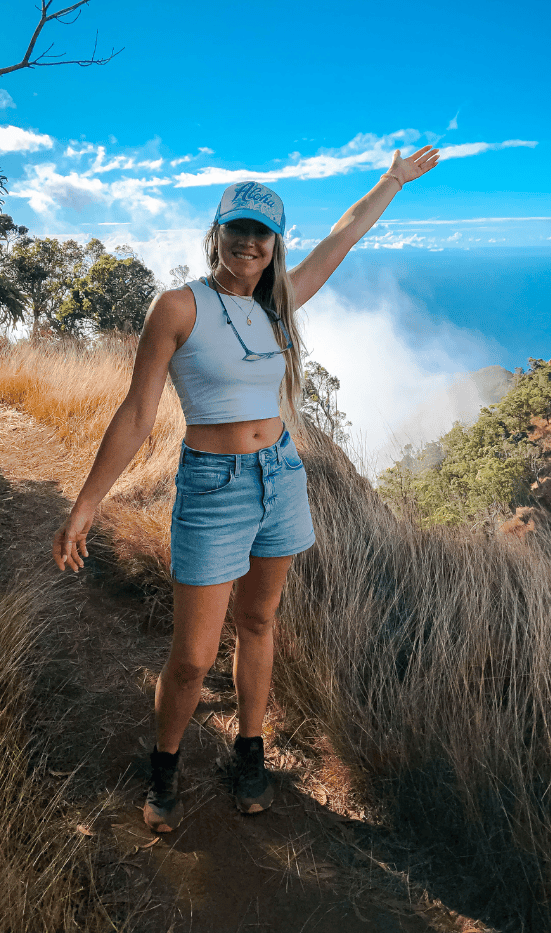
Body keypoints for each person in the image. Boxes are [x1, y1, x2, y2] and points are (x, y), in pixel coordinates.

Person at [52, 144, 440, 832]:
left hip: (281, 477)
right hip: (212, 485)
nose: (249, 244)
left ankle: (249, 753)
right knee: (193, 655)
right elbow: (138, 412)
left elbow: (345, 235)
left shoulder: (280, 303)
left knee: (259, 623)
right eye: (238, 230)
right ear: (217, 233)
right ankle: (164, 764)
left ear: (274, 243)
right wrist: (87, 504)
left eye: (262, 234)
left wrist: (393, 181)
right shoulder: (178, 307)